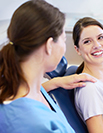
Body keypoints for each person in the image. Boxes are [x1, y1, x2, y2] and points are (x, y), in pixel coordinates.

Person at [0, 1, 95, 133]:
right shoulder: (34, 124)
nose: (64, 47)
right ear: (49, 45)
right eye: (63, 40)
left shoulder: (21, 85)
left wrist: (56, 82)